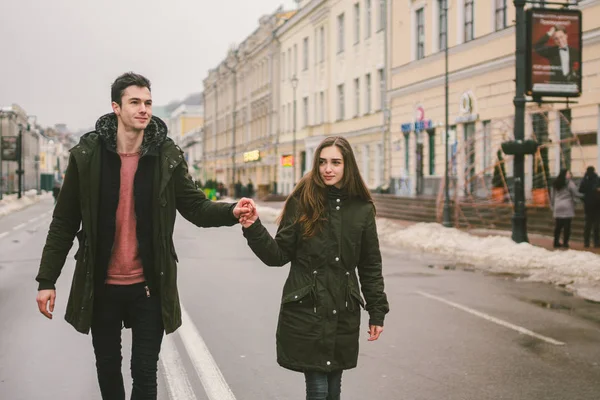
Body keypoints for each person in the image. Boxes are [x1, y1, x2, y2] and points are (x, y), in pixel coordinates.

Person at [34, 72, 254, 400]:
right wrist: (47, 280)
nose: (143, 109)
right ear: (116, 107)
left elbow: (195, 207)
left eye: (148, 102)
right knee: (108, 368)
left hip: (149, 284)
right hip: (102, 285)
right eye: (135, 102)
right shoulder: (88, 155)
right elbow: (64, 222)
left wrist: (231, 211)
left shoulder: (165, 155)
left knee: (145, 374)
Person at [239, 136, 389, 400]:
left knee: (333, 389)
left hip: (343, 309)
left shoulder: (362, 209)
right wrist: (254, 228)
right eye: (322, 162)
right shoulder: (304, 201)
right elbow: (278, 255)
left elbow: (370, 264)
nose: (327, 168)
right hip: (307, 307)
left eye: (335, 162)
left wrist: (377, 311)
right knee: (319, 390)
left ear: (347, 166)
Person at [551, 168, 581, 248]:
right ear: (565, 174)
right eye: (568, 173)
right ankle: (565, 243)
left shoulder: (555, 183)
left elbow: (552, 196)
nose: (570, 175)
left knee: (558, 226)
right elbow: (576, 193)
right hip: (567, 206)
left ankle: (556, 242)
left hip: (558, 206)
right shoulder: (570, 183)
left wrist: (553, 205)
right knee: (567, 226)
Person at [578, 166, 600, 248]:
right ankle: (596, 242)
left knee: (588, 224)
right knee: (596, 224)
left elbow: (580, 190)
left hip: (588, 204)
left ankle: (586, 242)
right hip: (597, 204)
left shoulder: (585, 180)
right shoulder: (597, 179)